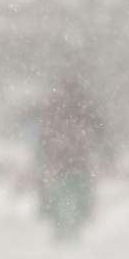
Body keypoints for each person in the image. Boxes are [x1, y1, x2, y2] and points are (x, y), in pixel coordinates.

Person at [36, 78, 104, 241]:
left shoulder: (82, 109)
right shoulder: (56, 109)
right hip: (60, 164)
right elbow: (44, 134)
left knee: (78, 199)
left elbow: (97, 129)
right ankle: (60, 233)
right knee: (58, 200)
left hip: (77, 164)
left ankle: (74, 232)